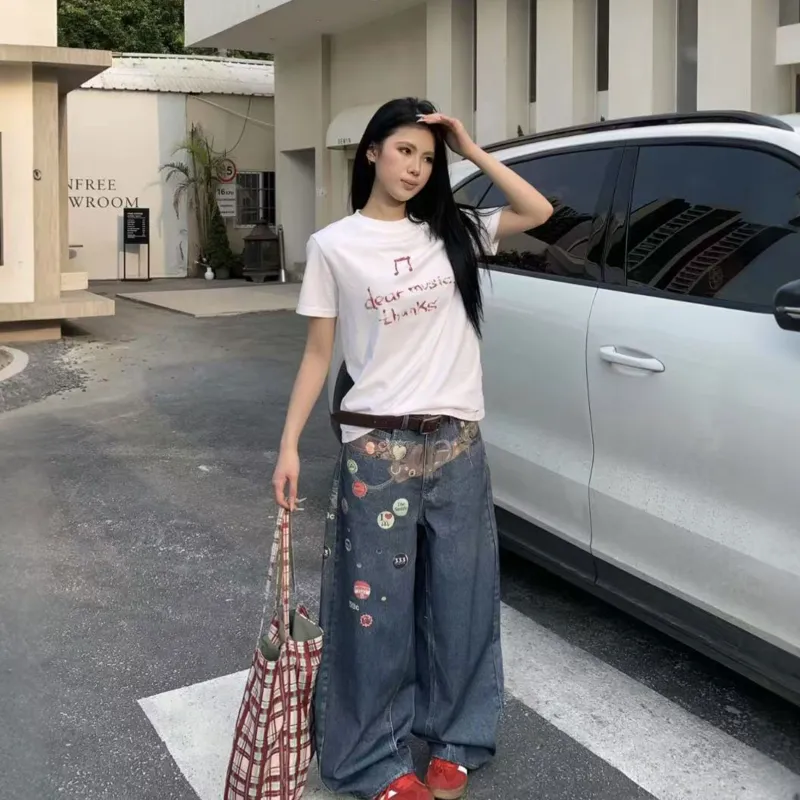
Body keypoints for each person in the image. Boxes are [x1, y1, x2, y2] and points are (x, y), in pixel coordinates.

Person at [272, 98, 553, 800]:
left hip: (456, 446)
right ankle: (373, 758)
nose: (415, 168)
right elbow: (318, 355)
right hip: (377, 450)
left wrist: (469, 147)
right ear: (371, 152)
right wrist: (289, 446)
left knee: (462, 600)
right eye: (404, 151)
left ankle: (458, 737)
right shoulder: (334, 246)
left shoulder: (453, 231)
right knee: (376, 613)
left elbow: (538, 210)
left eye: (427, 158)